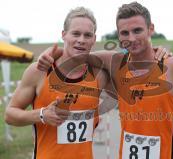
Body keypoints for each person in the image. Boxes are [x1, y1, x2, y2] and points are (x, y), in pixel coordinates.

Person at [37, 2, 173, 159]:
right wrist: (52, 52)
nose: (131, 38)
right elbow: (79, 52)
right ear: (119, 35)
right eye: (124, 33)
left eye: (137, 30)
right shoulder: (115, 63)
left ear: (150, 29)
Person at [4, 7, 110, 159]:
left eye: (87, 35)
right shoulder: (39, 71)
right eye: (76, 33)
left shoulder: (99, 75)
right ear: (64, 35)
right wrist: (41, 115)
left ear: (94, 39)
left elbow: (126, 60)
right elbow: (9, 115)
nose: (81, 39)